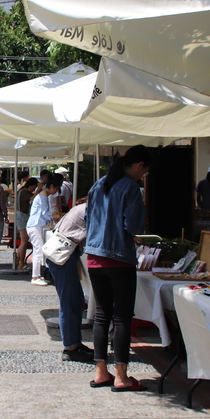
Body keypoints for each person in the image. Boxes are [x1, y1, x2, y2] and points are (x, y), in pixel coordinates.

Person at [85, 144, 152, 392]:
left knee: (101, 315)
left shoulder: (99, 184)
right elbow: (133, 226)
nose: (141, 177)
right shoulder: (131, 189)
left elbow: (88, 219)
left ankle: (101, 372)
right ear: (138, 165)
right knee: (122, 317)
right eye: (143, 173)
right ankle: (122, 376)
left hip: (94, 257)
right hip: (119, 258)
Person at [46, 200, 94, 362]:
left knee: (76, 300)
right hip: (63, 256)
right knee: (70, 302)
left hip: (63, 255)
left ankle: (75, 343)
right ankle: (70, 347)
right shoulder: (90, 210)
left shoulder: (83, 208)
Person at [27, 173, 63, 285]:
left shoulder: (43, 196)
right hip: (35, 225)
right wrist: (56, 216)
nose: (56, 192)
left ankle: (38, 275)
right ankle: (35, 276)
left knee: (39, 250)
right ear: (52, 186)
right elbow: (45, 214)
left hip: (36, 225)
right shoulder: (43, 196)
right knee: (38, 250)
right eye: (56, 189)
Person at [16, 176, 37, 270]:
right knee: (24, 242)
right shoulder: (24, 192)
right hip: (23, 216)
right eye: (34, 187)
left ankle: (18, 260)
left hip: (21, 216)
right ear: (31, 185)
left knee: (23, 242)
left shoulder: (22, 191)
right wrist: (39, 188)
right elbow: (33, 197)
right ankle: (21, 262)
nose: (35, 189)